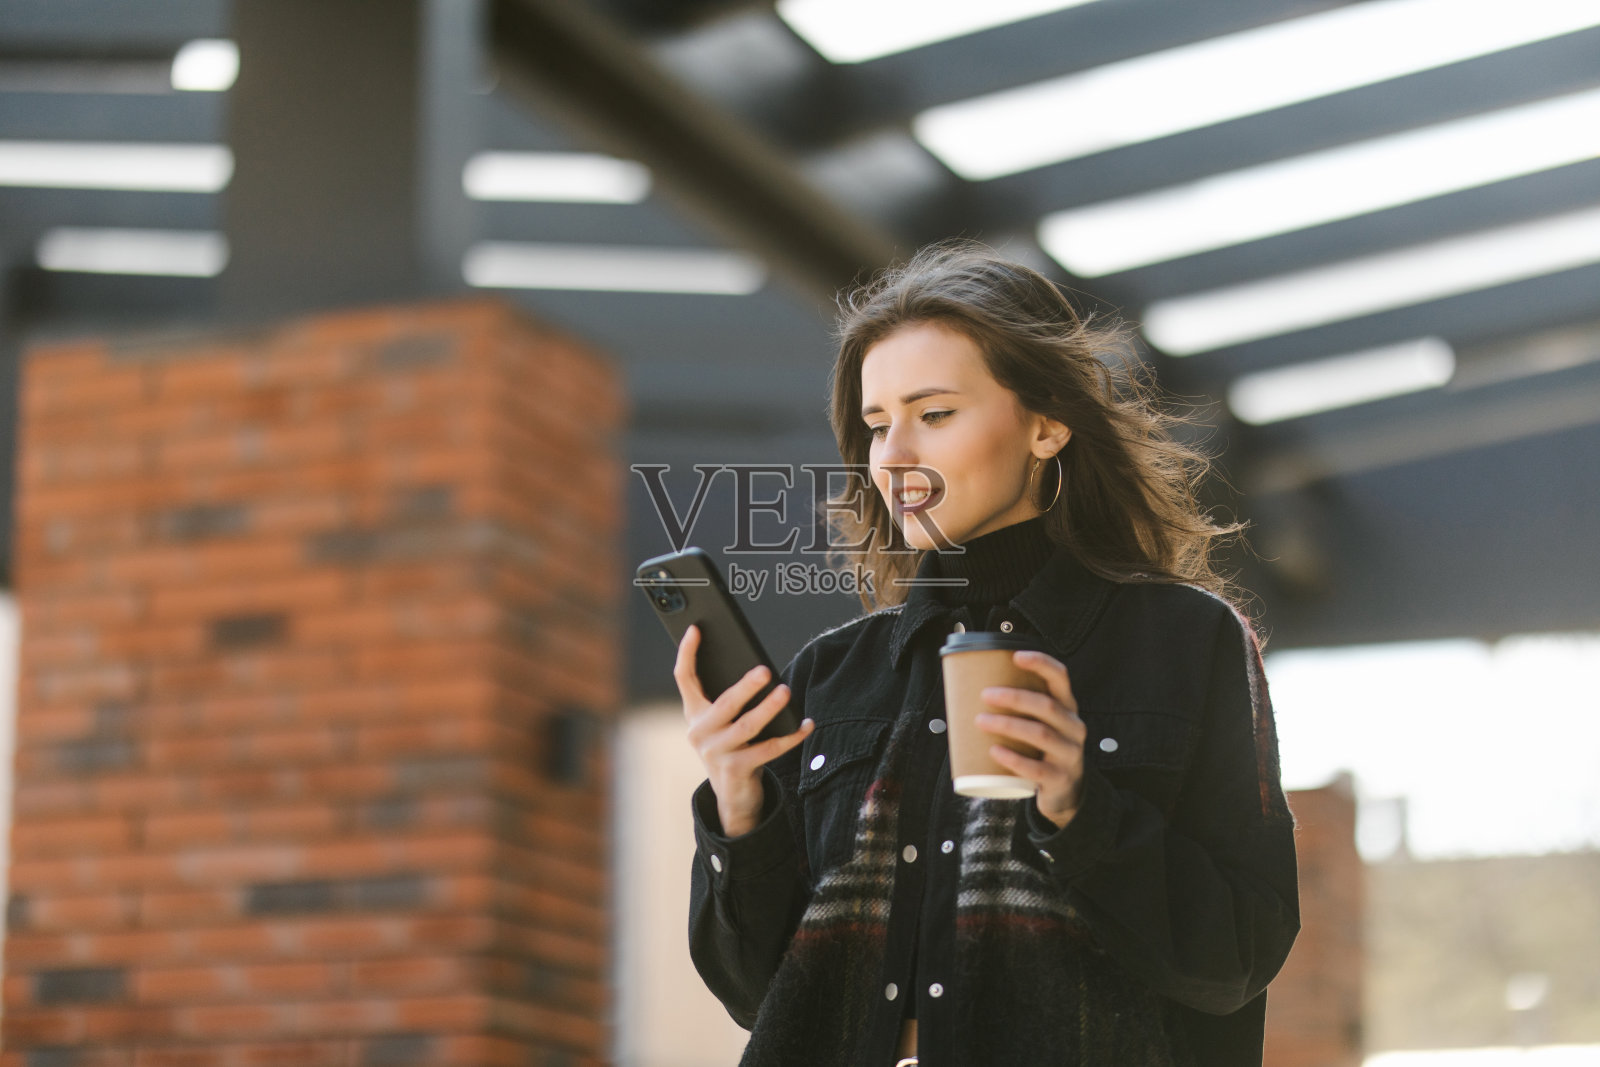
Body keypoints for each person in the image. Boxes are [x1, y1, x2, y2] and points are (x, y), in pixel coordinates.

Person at [674, 240, 1300, 1067]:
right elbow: (756, 994)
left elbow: (1238, 958)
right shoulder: (832, 673)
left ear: (1046, 425)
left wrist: (1080, 811)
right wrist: (739, 807)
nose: (893, 456)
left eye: (934, 415)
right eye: (875, 424)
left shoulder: (1186, 642)